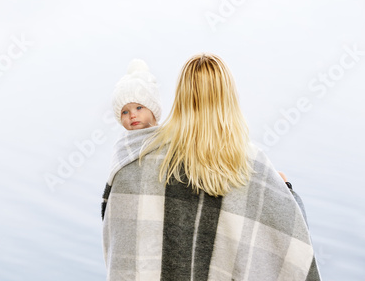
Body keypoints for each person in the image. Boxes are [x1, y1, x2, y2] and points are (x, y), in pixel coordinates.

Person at [102, 53, 320, 280]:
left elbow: (120, 242)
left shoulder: (134, 157)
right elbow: (294, 245)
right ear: (228, 99)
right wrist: (286, 191)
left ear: (181, 97)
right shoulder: (251, 165)